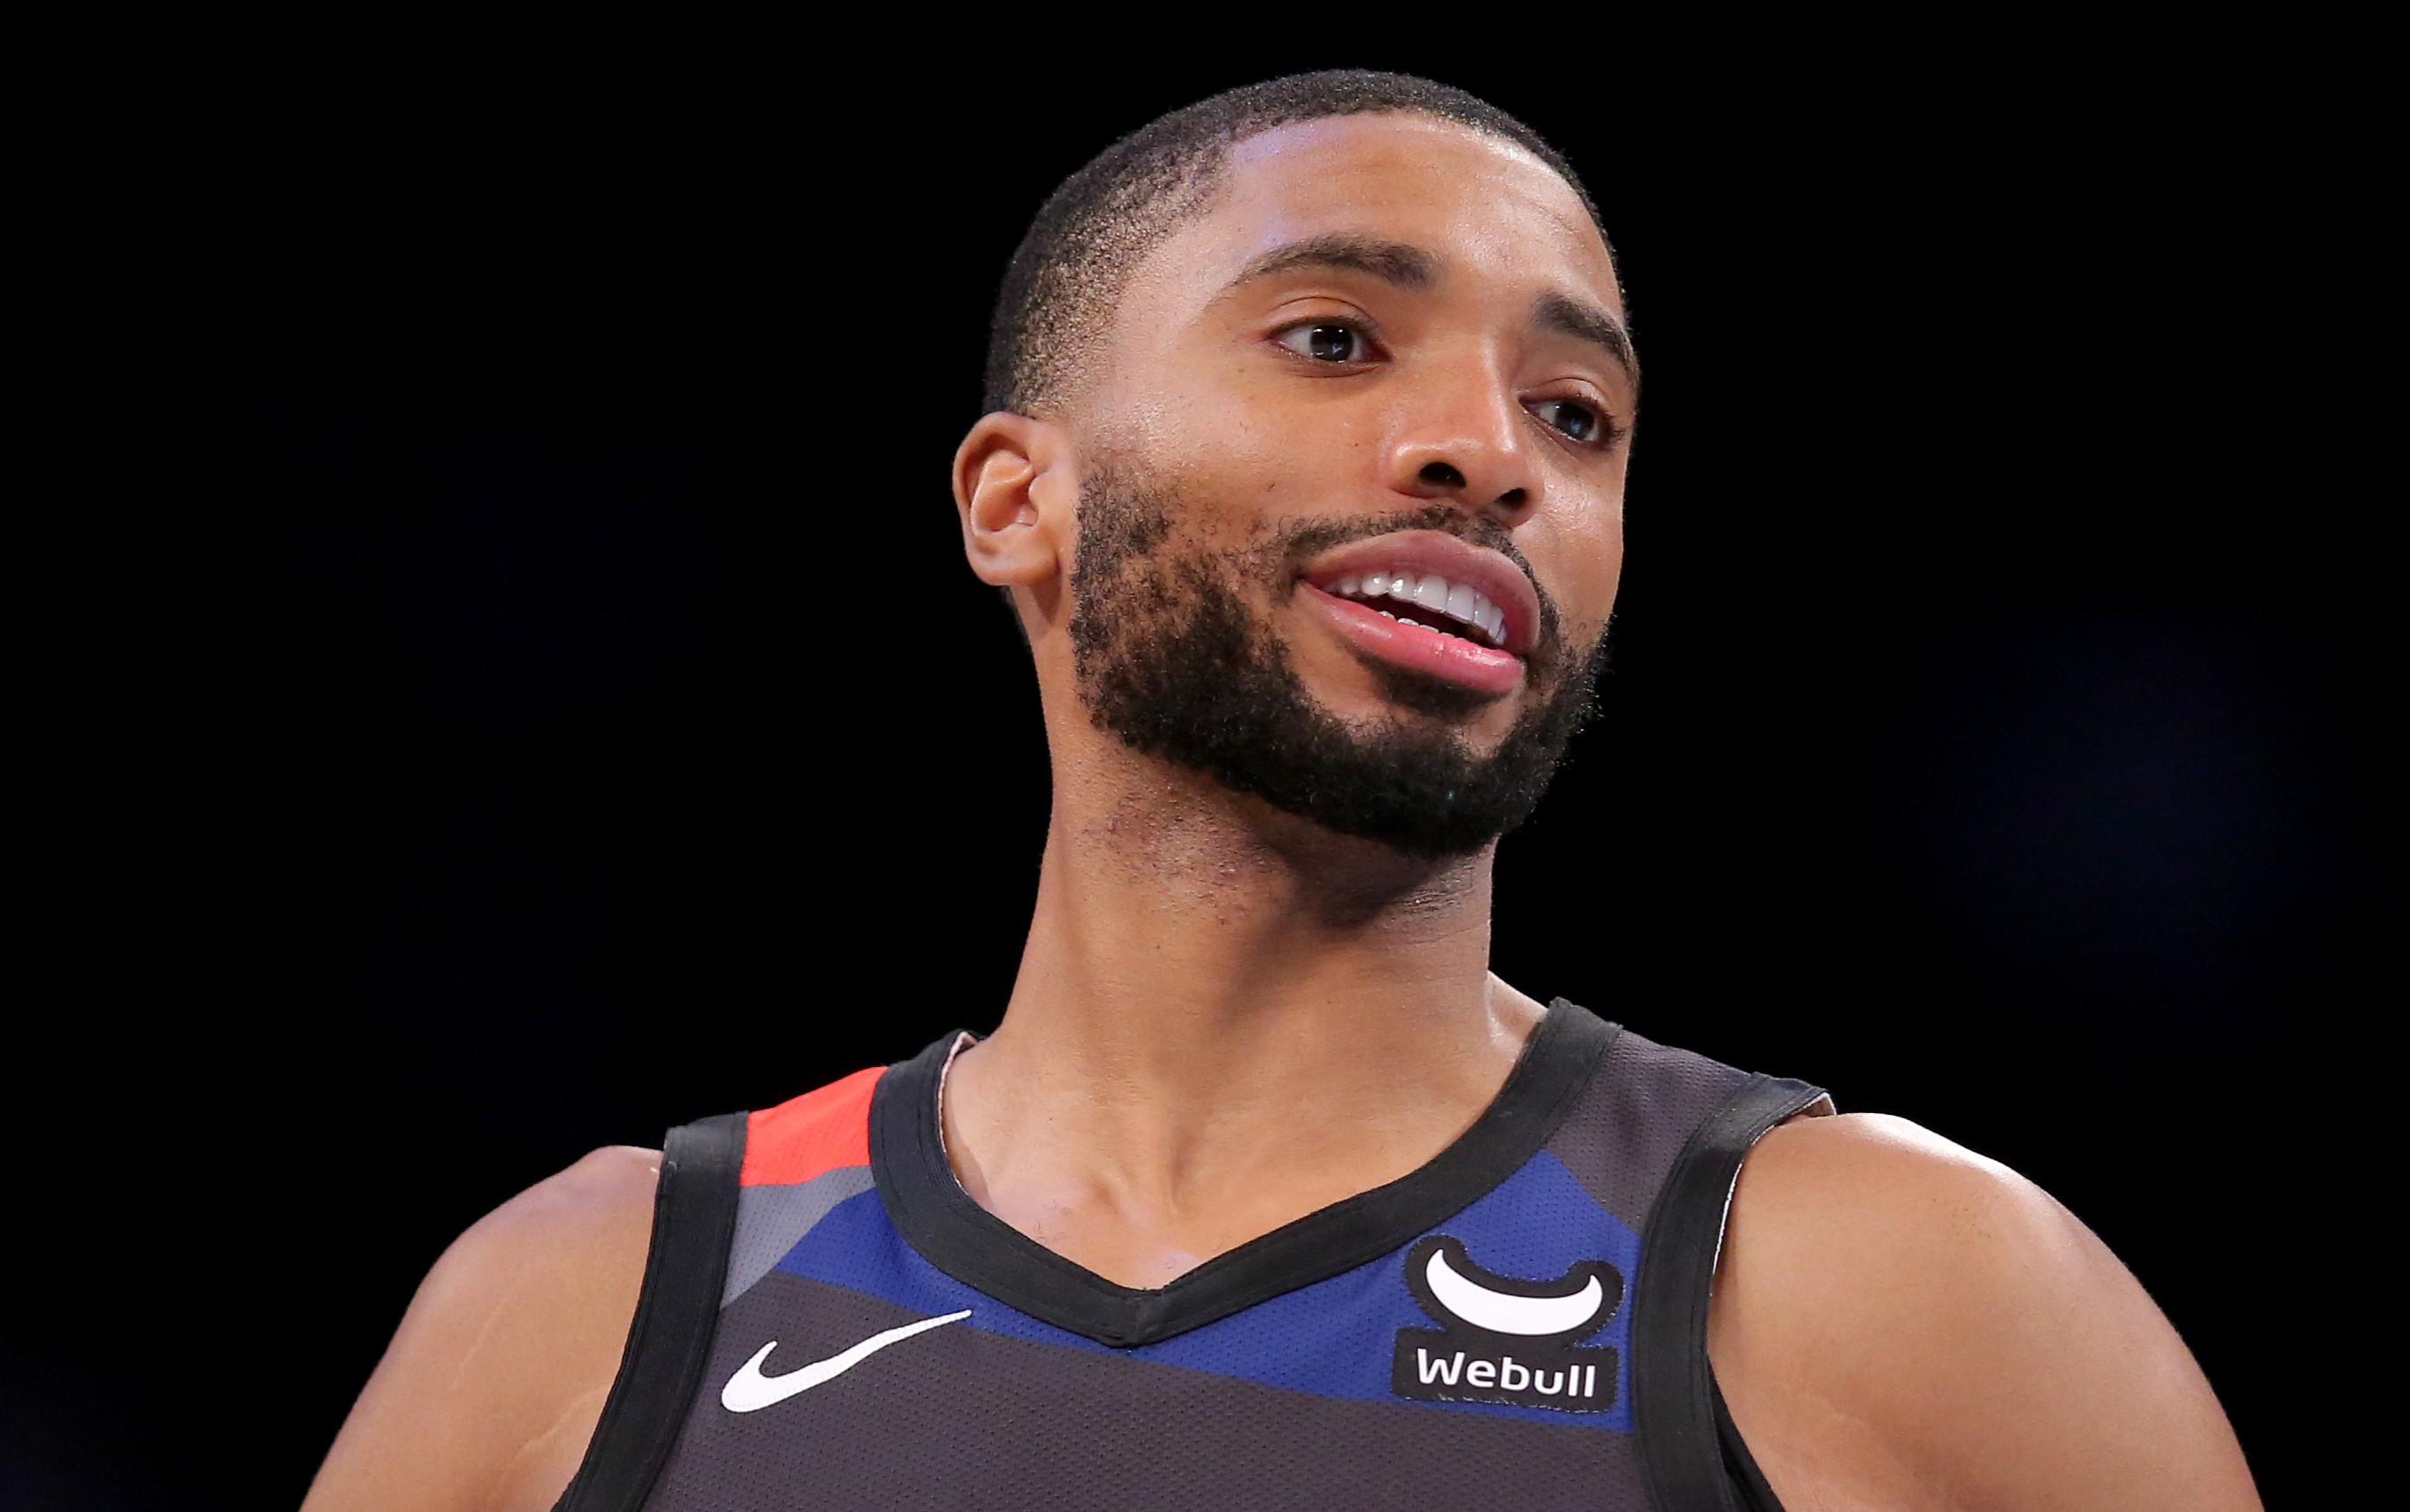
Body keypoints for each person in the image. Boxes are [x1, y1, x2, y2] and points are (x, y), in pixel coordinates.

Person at [302, 69, 2262, 1511]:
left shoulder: (1896, 1288)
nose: (1486, 453)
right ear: (1018, 503)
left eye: (1574, 418)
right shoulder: (599, 1303)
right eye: (1335, 339)